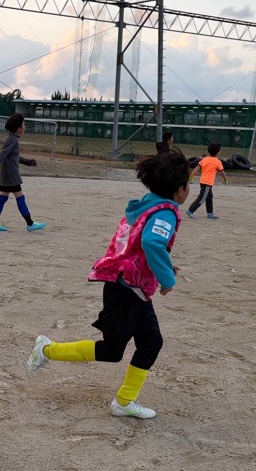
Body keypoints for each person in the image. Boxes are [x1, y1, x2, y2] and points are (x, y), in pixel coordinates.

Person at [25, 151, 191, 419]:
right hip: (125, 289)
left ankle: (125, 401)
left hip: (129, 285)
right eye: (188, 186)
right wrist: (167, 279)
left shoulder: (147, 205)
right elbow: (152, 243)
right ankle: (46, 349)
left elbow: (139, 245)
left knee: (151, 343)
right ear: (180, 189)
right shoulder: (166, 212)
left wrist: (164, 265)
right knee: (112, 351)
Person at [0, 113, 46, 232]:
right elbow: (3, 154)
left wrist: (28, 162)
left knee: (3, 197)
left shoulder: (11, 139)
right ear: (18, 128)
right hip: (11, 175)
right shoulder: (13, 140)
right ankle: (30, 224)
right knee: (20, 197)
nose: (24, 127)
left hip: (6, 174)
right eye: (23, 125)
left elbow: (14, 157)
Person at [186, 142, 228, 219]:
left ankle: (210, 214)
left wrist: (191, 177)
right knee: (202, 198)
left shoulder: (204, 159)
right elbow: (222, 172)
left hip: (202, 181)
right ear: (218, 152)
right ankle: (190, 210)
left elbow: (196, 169)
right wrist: (226, 180)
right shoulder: (217, 161)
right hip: (207, 183)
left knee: (209, 197)